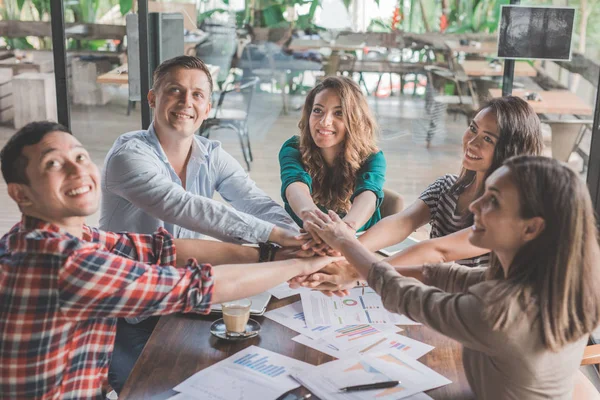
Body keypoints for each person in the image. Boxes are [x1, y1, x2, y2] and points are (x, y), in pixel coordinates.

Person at [0, 122, 336, 400]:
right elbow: (199, 285)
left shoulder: (50, 237)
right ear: (20, 193)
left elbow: (163, 249)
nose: (78, 169)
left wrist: (272, 254)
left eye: (81, 156)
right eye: (53, 164)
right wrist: (302, 264)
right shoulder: (61, 261)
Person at [303, 155, 600, 399]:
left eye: (493, 201)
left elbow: (404, 295)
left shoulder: (501, 311)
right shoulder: (549, 280)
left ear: (531, 228)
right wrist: (354, 274)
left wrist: (346, 242)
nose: (475, 207)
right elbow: (449, 276)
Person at [101, 55, 302, 246]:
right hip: (126, 275)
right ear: (152, 99)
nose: (186, 101)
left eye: (197, 95)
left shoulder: (212, 155)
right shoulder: (127, 156)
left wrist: (298, 238)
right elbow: (184, 206)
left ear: (207, 109)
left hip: (183, 274)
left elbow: (255, 202)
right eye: (175, 90)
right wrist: (274, 235)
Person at [279, 76, 400, 253]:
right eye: (318, 110)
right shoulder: (293, 149)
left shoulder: (372, 157)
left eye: (339, 113)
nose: (324, 121)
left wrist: (346, 231)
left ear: (355, 119)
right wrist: (312, 219)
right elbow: (294, 185)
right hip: (301, 248)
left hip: (359, 248)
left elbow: (368, 194)